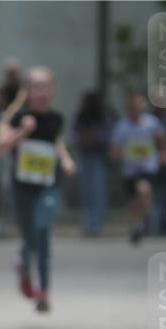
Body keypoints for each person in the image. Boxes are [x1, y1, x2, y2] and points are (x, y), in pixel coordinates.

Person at [0, 66, 75, 314]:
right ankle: (23, 264)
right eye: (36, 87)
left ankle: (44, 290)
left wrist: (66, 159)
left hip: (48, 184)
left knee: (43, 229)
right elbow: (0, 147)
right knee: (30, 236)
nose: (42, 92)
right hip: (22, 187)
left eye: (46, 87)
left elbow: (55, 141)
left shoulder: (57, 119)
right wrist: (22, 131)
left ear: (53, 91)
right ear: (28, 92)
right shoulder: (19, 117)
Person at [110, 91, 166, 245]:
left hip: (147, 166)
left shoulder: (151, 122)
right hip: (130, 169)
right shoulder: (122, 126)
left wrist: (164, 152)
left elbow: (161, 137)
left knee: (143, 189)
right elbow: (115, 149)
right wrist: (123, 153)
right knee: (133, 202)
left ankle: (147, 215)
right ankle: (138, 224)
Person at [72, 91, 113, 236]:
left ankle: (97, 223)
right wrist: (82, 138)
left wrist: (94, 137)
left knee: (98, 190)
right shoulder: (80, 116)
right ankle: (88, 222)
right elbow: (74, 134)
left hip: (98, 156)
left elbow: (108, 135)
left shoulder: (103, 116)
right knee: (86, 191)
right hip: (84, 156)